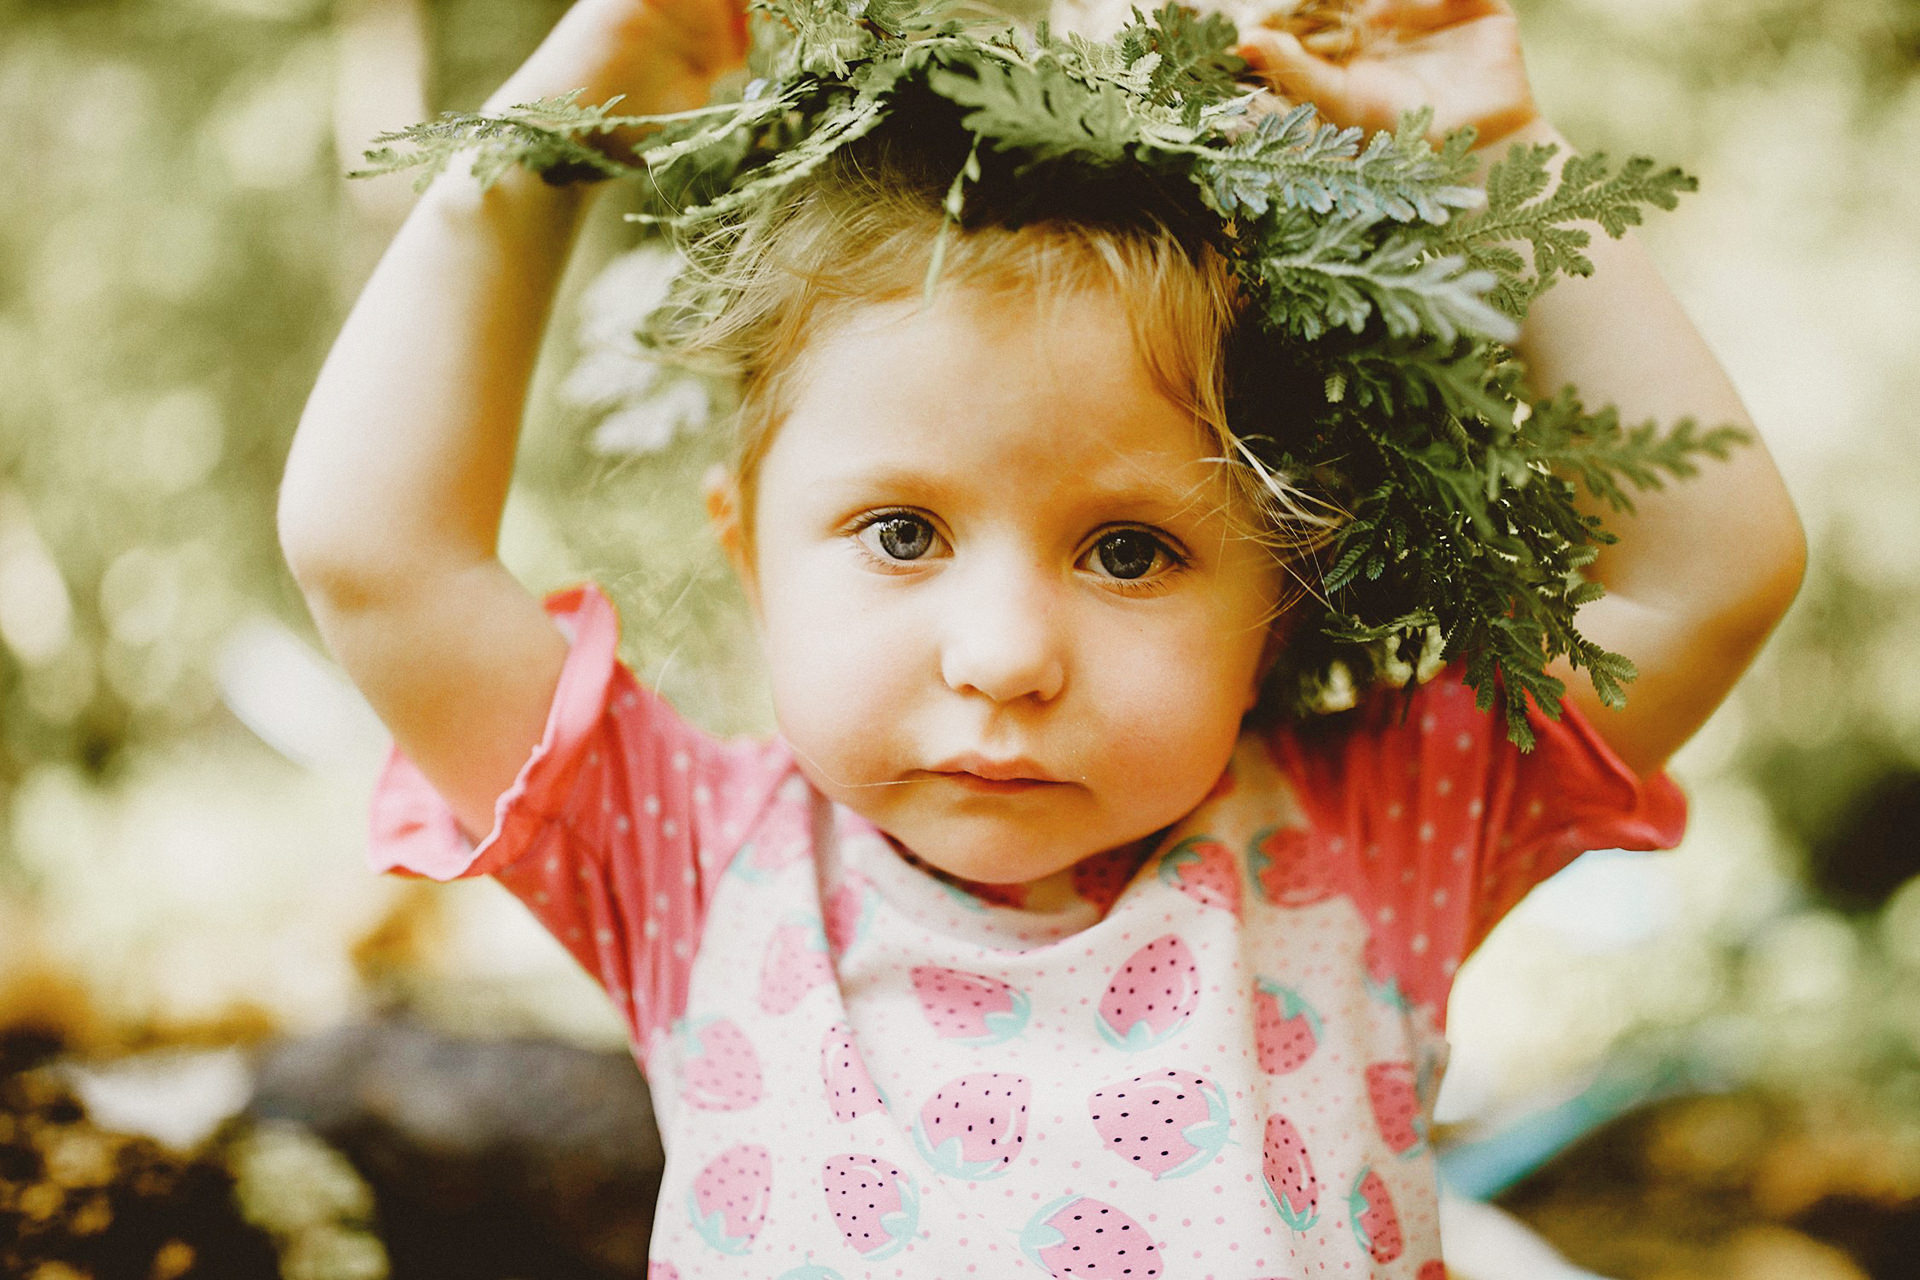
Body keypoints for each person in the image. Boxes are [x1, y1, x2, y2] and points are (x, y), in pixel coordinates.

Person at [278, 0, 1806, 1274]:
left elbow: (1712, 566)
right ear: (745, 547)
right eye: (903, 535)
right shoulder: (685, 858)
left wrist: (1489, 156)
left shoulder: (1373, 841)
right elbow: (376, 553)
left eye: (1129, 550)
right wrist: (570, 119)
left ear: (1280, 588)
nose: (1004, 654)